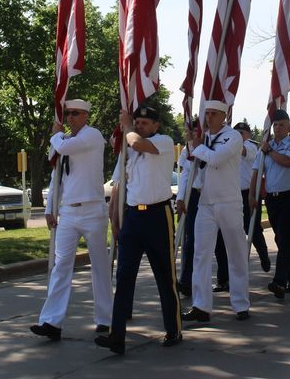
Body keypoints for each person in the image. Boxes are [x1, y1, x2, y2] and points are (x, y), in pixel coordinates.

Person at [95, 106, 181, 355]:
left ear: (156, 126)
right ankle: (117, 336)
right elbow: (119, 185)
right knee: (124, 277)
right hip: (133, 216)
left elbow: (138, 143)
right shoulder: (128, 148)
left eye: (145, 122)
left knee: (165, 275)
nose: (140, 126)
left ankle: (174, 329)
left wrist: (128, 127)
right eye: (138, 122)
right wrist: (115, 219)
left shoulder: (163, 141)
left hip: (158, 216)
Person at [31, 99, 112, 342]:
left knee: (100, 266)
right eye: (67, 114)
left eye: (75, 113)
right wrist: (50, 207)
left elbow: (64, 148)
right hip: (68, 211)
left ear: (86, 115)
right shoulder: (63, 140)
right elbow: (56, 175)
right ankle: (51, 321)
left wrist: (56, 135)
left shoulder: (92, 135)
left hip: (93, 210)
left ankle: (105, 318)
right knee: (61, 266)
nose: (70, 118)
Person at [181, 100, 250, 323]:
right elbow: (189, 168)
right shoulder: (202, 138)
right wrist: (193, 144)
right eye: (207, 113)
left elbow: (216, 159)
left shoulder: (233, 136)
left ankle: (240, 303)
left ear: (223, 116)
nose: (209, 118)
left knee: (236, 253)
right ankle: (201, 305)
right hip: (206, 202)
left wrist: (197, 145)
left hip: (229, 202)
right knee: (201, 254)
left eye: (213, 114)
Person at [175, 122, 229, 297]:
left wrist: (199, 149)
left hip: (212, 195)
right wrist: (181, 197)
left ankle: (224, 277)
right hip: (194, 196)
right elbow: (185, 174)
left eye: (193, 130)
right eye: (189, 130)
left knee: (218, 240)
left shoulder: (211, 147)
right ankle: (186, 281)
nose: (189, 133)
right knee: (190, 239)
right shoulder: (187, 150)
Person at [255, 109, 290, 300]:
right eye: (275, 125)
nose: (278, 128)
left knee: (286, 238)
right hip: (272, 199)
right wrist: (253, 195)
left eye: (282, 125)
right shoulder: (268, 145)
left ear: (288, 126)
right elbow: (258, 170)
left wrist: (269, 151)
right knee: (281, 239)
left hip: (289, 196)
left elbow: (287, 161)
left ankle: (280, 281)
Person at [234, 121, 270, 272]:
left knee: (253, 227)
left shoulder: (250, 146)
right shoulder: (232, 146)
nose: (239, 136)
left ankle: (263, 255)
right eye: (236, 133)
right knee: (238, 228)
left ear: (248, 135)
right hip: (235, 193)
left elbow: (242, 151)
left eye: (241, 133)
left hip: (250, 192)